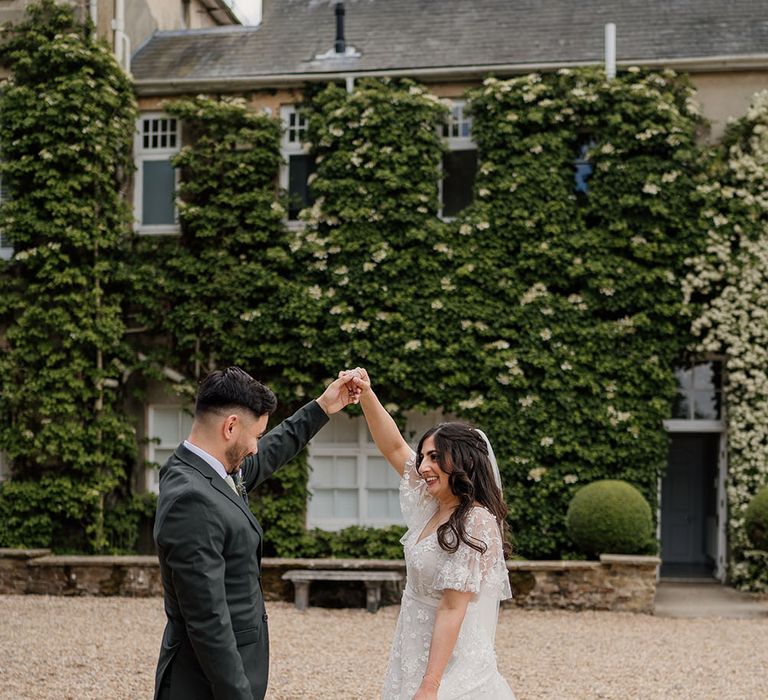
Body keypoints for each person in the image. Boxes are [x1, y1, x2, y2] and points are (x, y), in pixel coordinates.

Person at [153, 366, 359, 700]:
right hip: (205, 683)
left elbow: (272, 452)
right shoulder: (190, 498)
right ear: (230, 426)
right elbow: (207, 620)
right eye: (256, 436)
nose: (256, 448)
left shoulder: (210, 469)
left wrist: (322, 407)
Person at [348, 367, 516, 700]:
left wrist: (431, 684)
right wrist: (366, 394)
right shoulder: (432, 502)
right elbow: (394, 447)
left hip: (450, 659)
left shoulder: (476, 522)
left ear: (464, 461)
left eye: (435, 457)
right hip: (412, 645)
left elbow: (453, 608)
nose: (423, 466)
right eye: (423, 456)